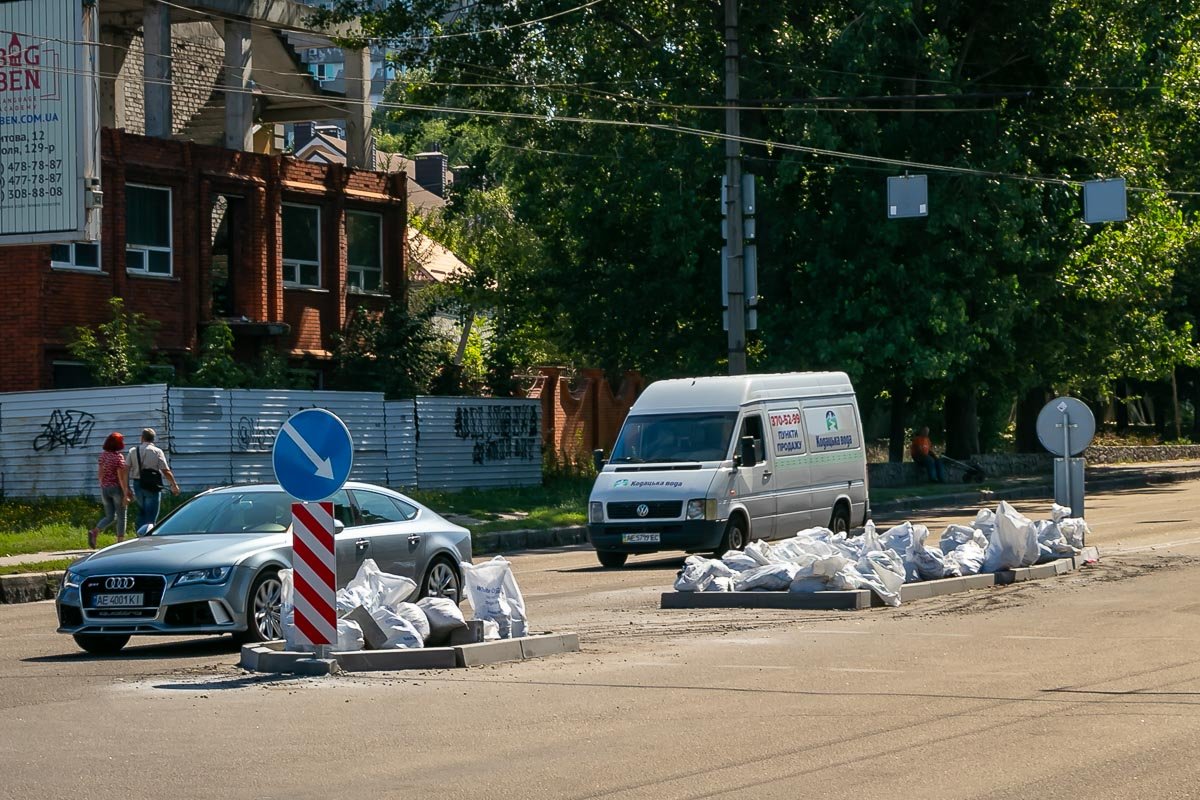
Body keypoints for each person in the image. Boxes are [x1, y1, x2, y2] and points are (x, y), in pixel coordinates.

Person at [128, 427, 180, 531]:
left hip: (137, 483)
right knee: (151, 513)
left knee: (142, 510)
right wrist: (174, 485)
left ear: (141, 438)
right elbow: (165, 470)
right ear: (153, 439)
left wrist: (126, 487)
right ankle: (149, 533)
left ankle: (139, 533)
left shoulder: (133, 451)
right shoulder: (157, 451)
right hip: (152, 484)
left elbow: (126, 469)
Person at [87, 432, 132, 549]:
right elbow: (121, 477)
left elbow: (100, 473)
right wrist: (126, 492)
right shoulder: (118, 457)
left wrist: (102, 484)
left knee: (110, 516)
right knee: (122, 516)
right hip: (116, 488)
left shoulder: (103, 456)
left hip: (104, 489)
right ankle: (120, 542)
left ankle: (95, 532)